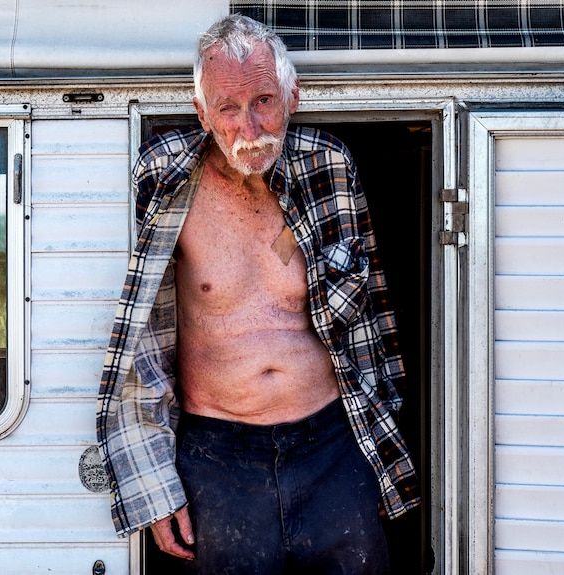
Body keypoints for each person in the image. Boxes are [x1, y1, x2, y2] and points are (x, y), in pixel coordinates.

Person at [96, 14, 419, 574]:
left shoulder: (331, 165)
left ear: (293, 95)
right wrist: (154, 480)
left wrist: (379, 453)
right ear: (202, 113)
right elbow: (141, 341)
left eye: (264, 100)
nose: (249, 128)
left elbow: (374, 321)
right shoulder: (165, 177)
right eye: (227, 108)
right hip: (218, 454)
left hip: (329, 441)